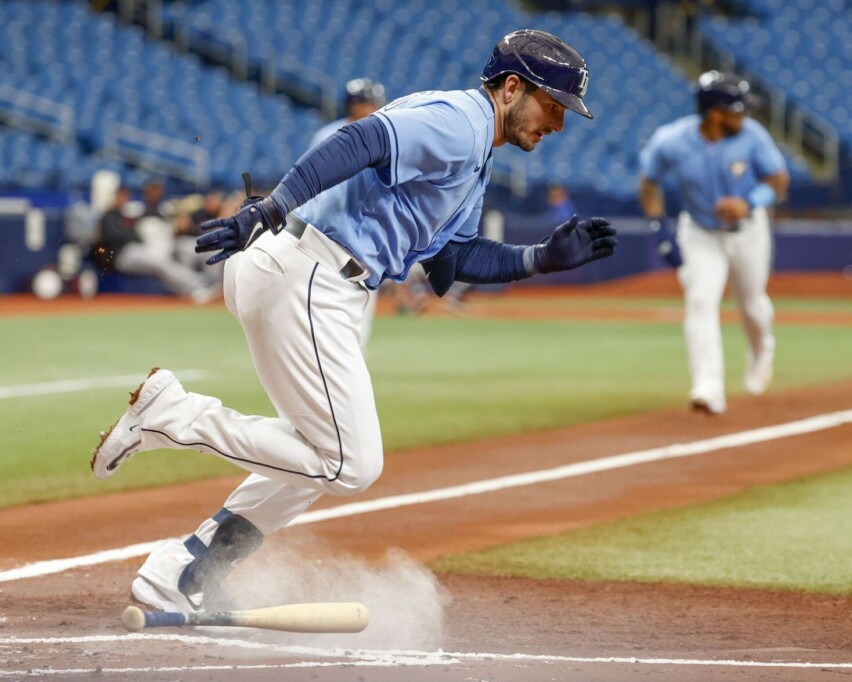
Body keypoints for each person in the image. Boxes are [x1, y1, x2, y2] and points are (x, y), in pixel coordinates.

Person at [91, 29, 616, 614]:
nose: (558, 124)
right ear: (512, 88)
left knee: (315, 454)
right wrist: (271, 206)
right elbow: (360, 139)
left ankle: (187, 570)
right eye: (553, 105)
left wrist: (540, 259)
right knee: (350, 462)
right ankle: (172, 417)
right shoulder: (460, 120)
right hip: (310, 271)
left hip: (311, 276)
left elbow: (450, 262)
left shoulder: (476, 153)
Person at [638, 70, 789, 415]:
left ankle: (761, 349)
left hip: (748, 229)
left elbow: (778, 180)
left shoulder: (752, 136)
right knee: (701, 302)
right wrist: (659, 228)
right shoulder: (672, 140)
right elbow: (649, 182)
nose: (745, 115)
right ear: (716, 114)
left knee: (752, 304)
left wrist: (749, 202)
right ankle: (708, 386)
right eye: (739, 108)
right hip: (701, 232)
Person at [296, 77, 389, 352]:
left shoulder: (380, 135)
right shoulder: (331, 135)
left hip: (362, 241)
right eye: (368, 102)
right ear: (356, 104)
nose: (374, 107)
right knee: (319, 310)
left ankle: (345, 366)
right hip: (327, 237)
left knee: (358, 318)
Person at [92, 185, 215, 303]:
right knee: (159, 260)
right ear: (114, 196)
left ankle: (208, 283)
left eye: (125, 196)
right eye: (120, 196)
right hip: (123, 254)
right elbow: (114, 237)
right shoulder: (110, 216)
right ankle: (198, 285)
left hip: (143, 248)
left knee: (188, 249)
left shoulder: (137, 213)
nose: (123, 199)